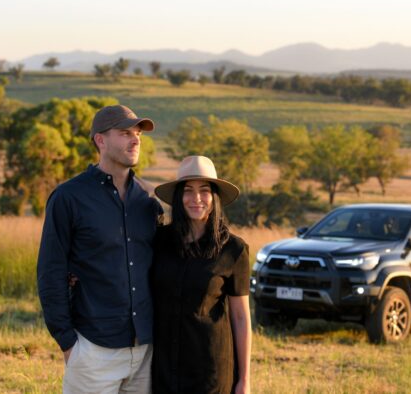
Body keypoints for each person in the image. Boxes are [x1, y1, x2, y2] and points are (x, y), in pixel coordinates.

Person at [37, 105, 162, 394]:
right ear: (100, 140)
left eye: (137, 134)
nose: (135, 140)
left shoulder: (148, 201)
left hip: (144, 351)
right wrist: (68, 343)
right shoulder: (68, 198)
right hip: (92, 350)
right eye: (125, 133)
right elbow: (50, 271)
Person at [152, 155, 252, 394]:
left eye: (204, 190)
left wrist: (244, 380)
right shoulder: (158, 241)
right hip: (163, 367)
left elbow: (241, 318)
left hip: (211, 370)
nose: (196, 199)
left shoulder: (234, 250)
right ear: (178, 197)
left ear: (215, 196)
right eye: (188, 190)